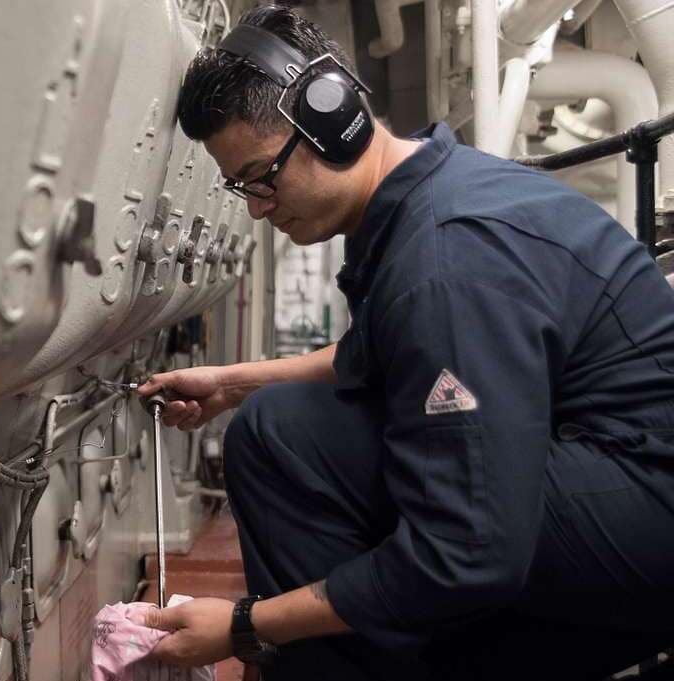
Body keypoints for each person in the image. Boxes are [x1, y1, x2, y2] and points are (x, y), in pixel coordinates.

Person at [135, 6, 674, 680]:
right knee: (281, 425)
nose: (257, 207)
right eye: (240, 187)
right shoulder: (426, 196)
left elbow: (467, 550)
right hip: (605, 473)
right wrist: (231, 383)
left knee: (285, 442)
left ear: (332, 122)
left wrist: (244, 624)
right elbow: (383, 357)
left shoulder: (444, 260)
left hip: (649, 519)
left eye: (261, 177)